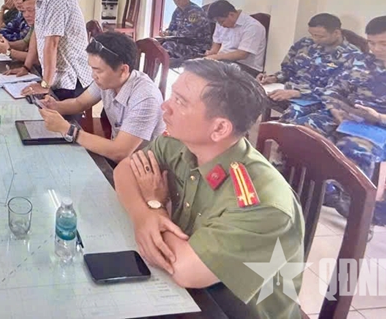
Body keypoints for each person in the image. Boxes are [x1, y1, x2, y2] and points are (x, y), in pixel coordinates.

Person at [114, 60, 304, 319]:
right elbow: (125, 170)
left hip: (231, 309)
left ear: (219, 128)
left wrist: (155, 206)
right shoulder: (180, 143)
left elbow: (185, 269)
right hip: (188, 294)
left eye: (180, 101)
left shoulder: (262, 203)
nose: (165, 106)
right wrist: (145, 213)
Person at [282, 16, 386, 235]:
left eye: (384, 44)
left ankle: (357, 211)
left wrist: (381, 118)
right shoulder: (363, 62)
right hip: (352, 118)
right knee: (302, 129)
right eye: (372, 43)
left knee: (356, 148)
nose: (376, 49)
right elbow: (334, 90)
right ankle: (307, 187)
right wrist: (336, 109)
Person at [38, 33, 164, 163]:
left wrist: (68, 130)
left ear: (123, 70)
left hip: (143, 166)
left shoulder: (146, 98)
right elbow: (80, 103)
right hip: (120, 158)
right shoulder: (109, 81)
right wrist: (55, 106)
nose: (93, 75)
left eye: (98, 70)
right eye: (92, 69)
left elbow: (120, 152)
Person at [8, 0, 92, 100]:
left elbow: (52, 43)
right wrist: (26, 67)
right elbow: (37, 33)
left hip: (70, 78)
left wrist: (45, 85)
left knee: (45, 111)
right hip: (55, 75)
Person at [258, 13, 360, 109]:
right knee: (253, 96)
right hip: (288, 90)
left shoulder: (353, 56)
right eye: (312, 34)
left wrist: (298, 93)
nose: (315, 39)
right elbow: (288, 70)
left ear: (336, 33)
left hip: (319, 101)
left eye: (320, 36)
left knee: (294, 113)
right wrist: (274, 78)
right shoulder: (305, 43)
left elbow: (341, 91)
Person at [204, 0, 267, 76]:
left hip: (247, 68)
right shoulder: (221, 23)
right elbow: (216, 44)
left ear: (231, 15)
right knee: (198, 66)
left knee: (210, 72)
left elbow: (242, 54)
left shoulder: (253, 26)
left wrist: (216, 57)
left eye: (222, 22)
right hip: (223, 61)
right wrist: (211, 54)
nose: (221, 25)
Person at [159, 0, 212, 65]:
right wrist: (165, 33)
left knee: (168, 46)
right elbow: (171, 28)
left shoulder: (195, 12)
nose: (177, 0)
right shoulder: (177, 11)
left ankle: (165, 67)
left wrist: (170, 34)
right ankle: (153, 70)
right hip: (182, 43)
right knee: (155, 44)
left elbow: (187, 34)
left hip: (197, 47)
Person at [0, 0, 37, 64]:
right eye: (23, 11)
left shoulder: (43, 26)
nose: (26, 15)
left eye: (30, 10)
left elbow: (37, 59)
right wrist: (5, 44)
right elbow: (23, 43)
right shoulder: (32, 24)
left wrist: (8, 51)